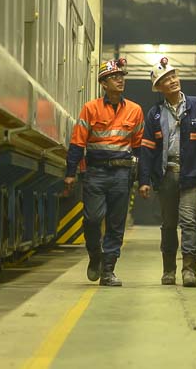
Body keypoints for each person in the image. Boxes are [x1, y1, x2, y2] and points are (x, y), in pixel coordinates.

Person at [138, 57, 196, 287]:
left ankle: (189, 271)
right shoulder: (155, 114)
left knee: (188, 221)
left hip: (191, 174)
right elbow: (147, 149)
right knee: (169, 224)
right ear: (159, 87)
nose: (173, 81)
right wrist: (144, 180)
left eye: (174, 76)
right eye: (166, 79)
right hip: (166, 174)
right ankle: (168, 270)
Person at [64, 58, 144, 286]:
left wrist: (143, 178)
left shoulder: (135, 110)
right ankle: (95, 255)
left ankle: (108, 271)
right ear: (103, 83)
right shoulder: (90, 108)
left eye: (121, 76)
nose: (120, 80)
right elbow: (77, 142)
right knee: (92, 219)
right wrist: (70, 172)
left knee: (116, 224)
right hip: (95, 172)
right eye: (114, 77)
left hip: (122, 174)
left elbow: (139, 147)